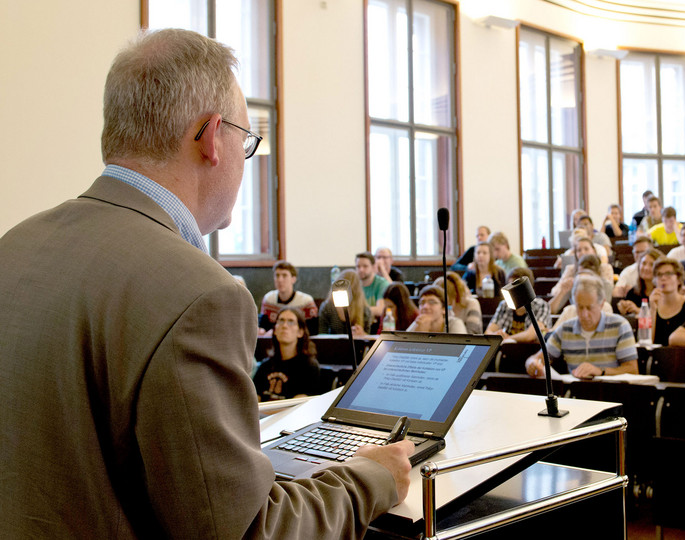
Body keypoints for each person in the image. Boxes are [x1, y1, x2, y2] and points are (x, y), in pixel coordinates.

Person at [0, 29, 412, 538]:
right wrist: (371, 478)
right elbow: (244, 532)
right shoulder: (200, 293)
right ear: (213, 136)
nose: (245, 158)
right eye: (248, 140)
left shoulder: (13, 247)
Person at [526, 274, 638, 379]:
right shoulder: (566, 329)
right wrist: (532, 363)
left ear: (602, 304)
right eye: (579, 307)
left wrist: (600, 371)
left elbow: (633, 370)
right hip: (576, 394)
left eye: (590, 308)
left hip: (612, 393)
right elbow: (538, 358)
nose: (584, 315)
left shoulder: (619, 326)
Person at [253, 308, 325, 401]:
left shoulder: (309, 367)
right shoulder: (265, 366)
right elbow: (253, 402)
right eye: (281, 321)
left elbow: (298, 406)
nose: (285, 326)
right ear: (275, 330)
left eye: (291, 322)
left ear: (300, 332)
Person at [485, 267, 551, 343]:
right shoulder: (504, 305)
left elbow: (530, 335)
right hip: (505, 350)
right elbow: (488, 332)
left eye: (514, 289)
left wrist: (506, 339)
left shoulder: (541, 305)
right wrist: (496, 335)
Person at [550, 239, 615, 313]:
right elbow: (551, 309)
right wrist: (562, 291)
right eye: (579, 250)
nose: (583, 252)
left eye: (586, 249)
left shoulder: (604, 283)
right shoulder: (573, 282)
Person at [259, 260, 320, 336]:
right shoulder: (269, 299)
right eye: (277, 275)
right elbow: (263, 327)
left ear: (293, 279)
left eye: (284, 275)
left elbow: (313, 331)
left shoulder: (306, 301)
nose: (280, 280)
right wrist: (261, 331)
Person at [649, 259, 685, 346]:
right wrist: (652, 310)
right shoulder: (654, 304)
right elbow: (648, 342)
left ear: (678, 279)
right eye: (659, 275)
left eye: (668, 274)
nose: (663, 278)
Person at [317, 269, 372, 336]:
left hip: (356, 345)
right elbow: (322, 335)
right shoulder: (327, 307)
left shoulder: (365, 310)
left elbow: (369, 338)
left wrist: (362, 334)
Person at [616, 249, 662, 316]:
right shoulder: (633, 292)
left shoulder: (663, 293)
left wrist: (638, 310)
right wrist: (624, 307)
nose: (646, 268)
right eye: (644, 263)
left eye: (652, 264)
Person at [357, 251, 389, 318]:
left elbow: (380, 310)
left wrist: (355, 310)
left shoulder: (382, 284)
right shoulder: (354, 284)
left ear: (373, 267)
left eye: (365, 266)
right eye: (358, 266)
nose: (361, 270)